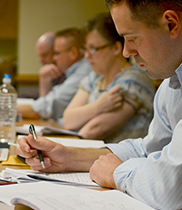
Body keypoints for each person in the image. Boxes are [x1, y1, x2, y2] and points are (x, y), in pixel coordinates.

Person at [17, 0, 182, 209]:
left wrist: (118, 173)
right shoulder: (177, 77)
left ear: (170, 24)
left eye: (132, 38)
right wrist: (69, 157)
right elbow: (150, 149)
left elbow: (173, 187)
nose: (127, 51)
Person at [63, 13, 155, 142]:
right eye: (86, 50)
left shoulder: (134, 79)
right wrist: (98, 106)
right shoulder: (95, 78)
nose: (87, 56)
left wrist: (68, 148)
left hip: (123, 159)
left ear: (116, 48)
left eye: (94, 49)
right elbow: (68, 119)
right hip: (93, 153)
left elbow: (95, 129)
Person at [17, 27, 92, 122]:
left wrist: (3, 108)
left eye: (57, 53)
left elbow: (47, 107)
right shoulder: (70, 71)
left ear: (73, 53)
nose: (54, 58)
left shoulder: (83, 72)